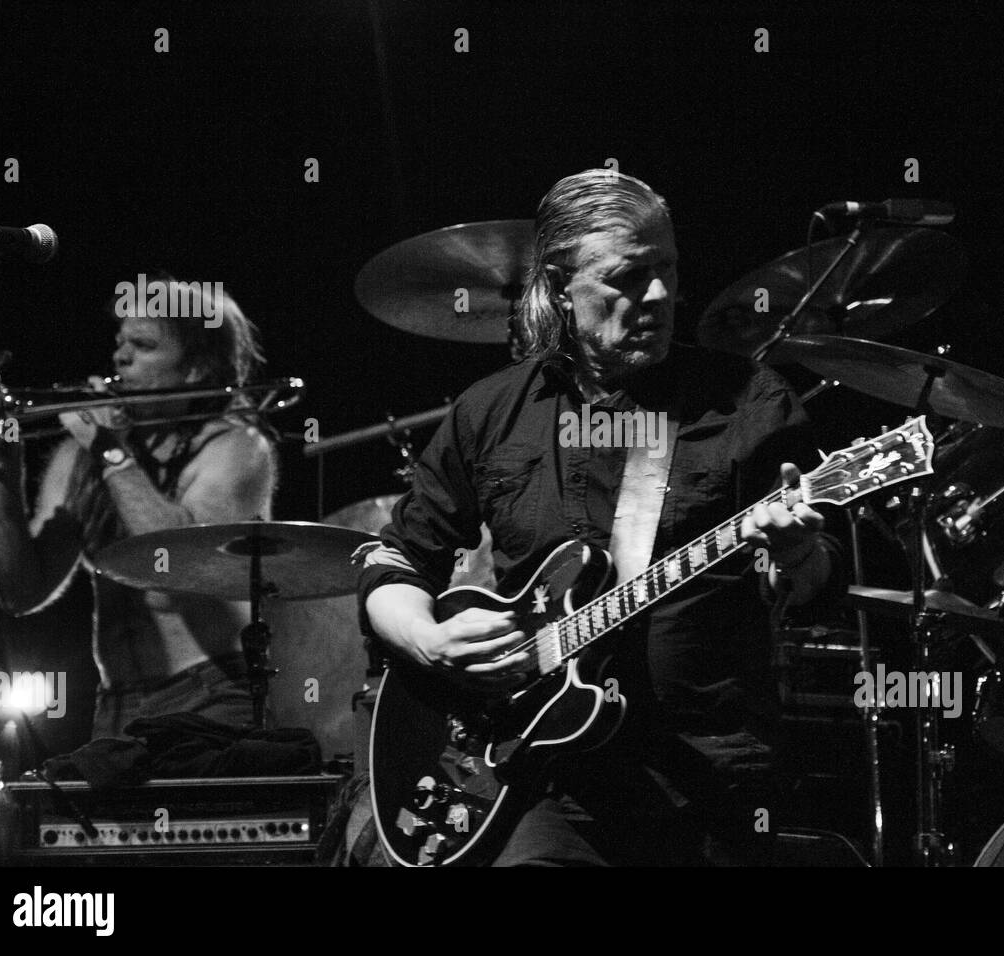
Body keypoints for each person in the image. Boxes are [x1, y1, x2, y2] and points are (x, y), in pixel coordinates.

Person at [359, 170, 847, 866]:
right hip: (544, 778)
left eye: (667, 270)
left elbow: (821, 583)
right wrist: (426, 640)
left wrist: (796, 554)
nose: (657, 296)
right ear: (560, 285)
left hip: (709, 772)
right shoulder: (492, 411)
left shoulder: (747, 401)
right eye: (626, 278)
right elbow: (397, 558)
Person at [0, 275, 277, 739]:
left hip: (211, 697)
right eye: (121, 342)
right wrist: (2, 472)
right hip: (115, 708)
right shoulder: (80, 455)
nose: (120, 357)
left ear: (197, 367)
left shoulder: (236, 447)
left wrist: (112, 454)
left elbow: (173, 575)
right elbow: (22, 593)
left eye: (143, 345)